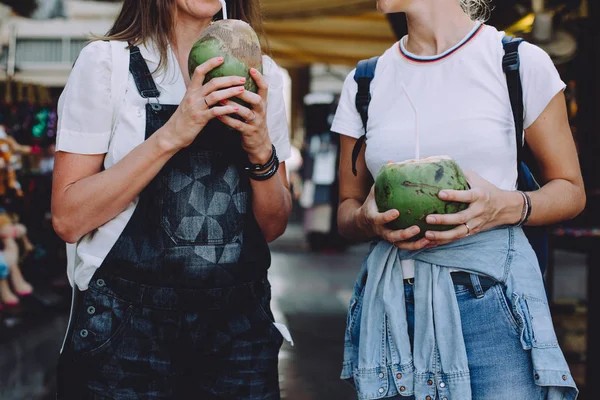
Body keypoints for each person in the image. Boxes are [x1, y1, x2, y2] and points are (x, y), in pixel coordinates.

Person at [332, 0, 585, 399]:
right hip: (392, 305)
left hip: (492, 302)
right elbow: (346, 209)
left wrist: (505, 205)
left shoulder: (517, 63)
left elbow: (571, 190)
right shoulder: (365, 80)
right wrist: (365, 221)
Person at [51, 0, 292, 398]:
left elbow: (273, 224)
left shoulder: (265, 76)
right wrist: (172, 134)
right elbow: (68, 218)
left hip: (238, 334)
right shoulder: (106, 65)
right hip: (124, 333)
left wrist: (261, 150)